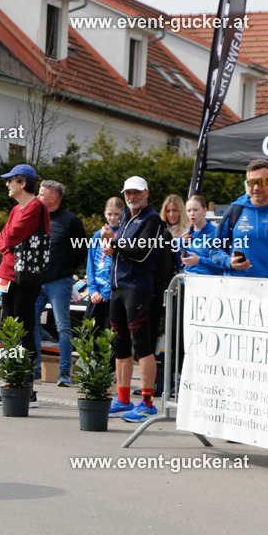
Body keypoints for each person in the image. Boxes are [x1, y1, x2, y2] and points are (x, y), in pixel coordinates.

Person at [103, 176, 163, 422]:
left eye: (136, 192)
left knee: (142, 344)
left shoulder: (153, 219)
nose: (132, 197)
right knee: (120, 344)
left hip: (137, 288)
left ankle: (147, 403)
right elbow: (123, 249)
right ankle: (123, 397)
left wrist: (115, 245)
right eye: (128, 193)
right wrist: (111, 249)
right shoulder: (126, 216)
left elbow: (142, 252)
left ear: (146, 193)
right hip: (118, 288)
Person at [0, 164, 47, 407]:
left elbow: (13, 236)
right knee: (10, 329)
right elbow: (4, 238)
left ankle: (27, 388)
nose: (6, 184)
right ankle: (12, 384)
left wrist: (7, 243)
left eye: (10, 180)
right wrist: (7, 244)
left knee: (23, 329)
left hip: (25, 278)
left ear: (23, 183)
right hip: (11, 276)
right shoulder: (17, 209)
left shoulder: (35, 206)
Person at [33, 180, 87, 387]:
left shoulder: (71, 221)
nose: (37, 197)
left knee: (63, 326)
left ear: (53, 198)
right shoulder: (37, 218)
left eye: (41, 194)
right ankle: (35, 368)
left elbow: (81, 250)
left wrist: (66, 270)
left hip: (59, 282)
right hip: (37, 282)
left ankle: (64, 373)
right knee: (31, 324)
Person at [209, 158, 268, 277]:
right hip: (238, 291)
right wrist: (229, 262)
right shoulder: (235, 210)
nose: (256, 188)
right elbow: (214, 249)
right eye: (251, 182)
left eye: (262, 182)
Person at [85, 197, 123, 332]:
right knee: (88, 333)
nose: (113, 217)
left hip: (111, 294)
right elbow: (90, 264)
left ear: (122, 214)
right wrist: (92, 289)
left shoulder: (122, 235)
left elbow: (119, 265)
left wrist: (107, 292)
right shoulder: (97, 235)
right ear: (105, 214)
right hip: (95, 292)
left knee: (108, 335)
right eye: (110, 214)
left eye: (116, 214)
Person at [181, 196, 221, 275]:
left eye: (195, 210)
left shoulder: (215, 233)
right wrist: (180, 244)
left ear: (205, 210)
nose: (192, 214)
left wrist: (199, 260)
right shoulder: (186, 232)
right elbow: (179, 261)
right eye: (189, 211)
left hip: (208, 283)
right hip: (187, 282)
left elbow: (222, 263)